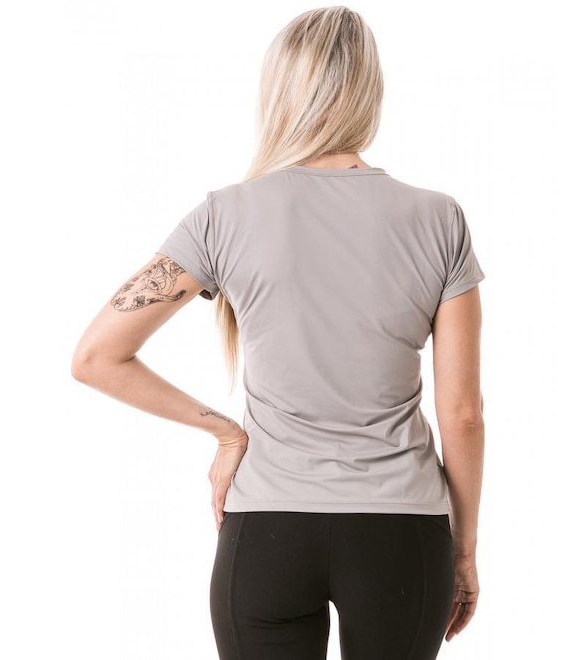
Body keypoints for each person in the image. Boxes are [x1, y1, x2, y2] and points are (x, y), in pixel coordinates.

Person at [71, 6, 485, 659]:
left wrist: (227, 433)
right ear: (371, 92)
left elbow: (97, 356)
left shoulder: (224, 215)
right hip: (402, 533)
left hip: (266, 532)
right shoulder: (439, 218)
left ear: (279, 90)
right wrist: (463, 549)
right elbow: (462, 413)